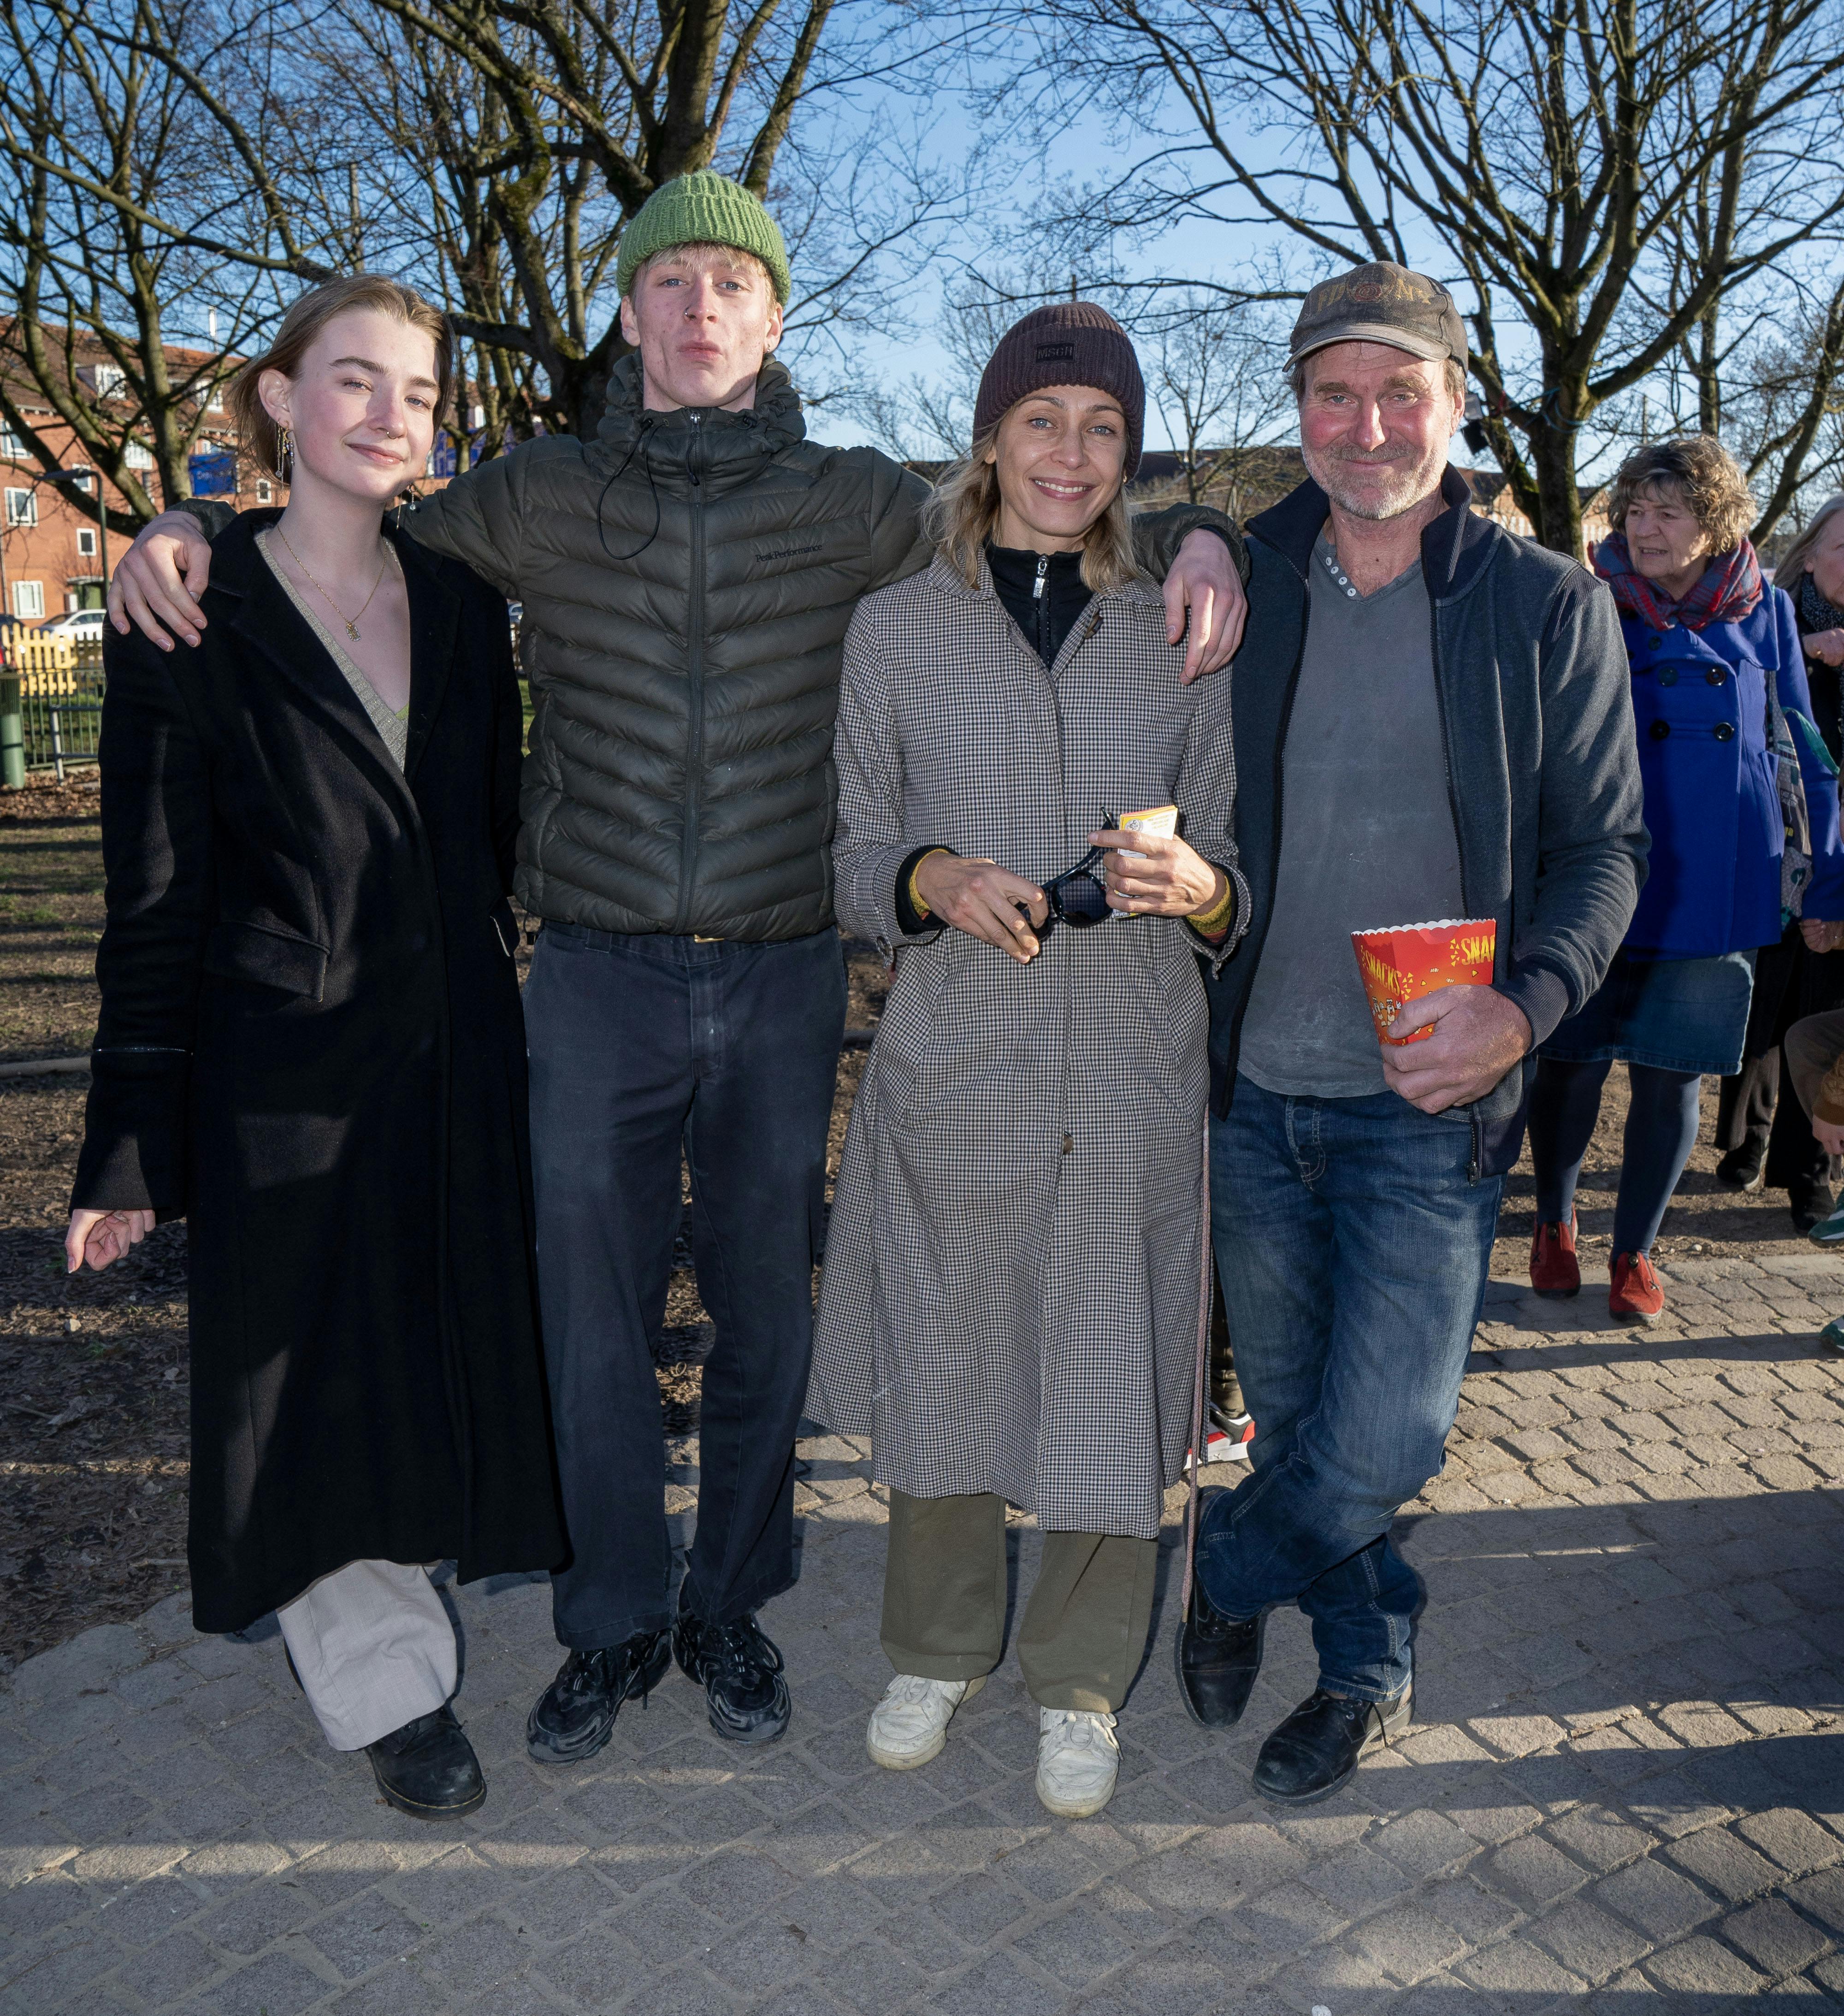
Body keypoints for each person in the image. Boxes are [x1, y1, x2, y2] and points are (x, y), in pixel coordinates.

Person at [108, 172, 1248, 1758]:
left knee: (767, 1320)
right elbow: (338, 517)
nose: (700, 307)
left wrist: (1206, 533)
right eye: (669, 282)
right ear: (629, 312)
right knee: (589, 1318)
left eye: (733, 282)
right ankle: (613, 1616)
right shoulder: (532, 493)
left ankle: (733, 1603)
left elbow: (1045, 499)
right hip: (591, 973)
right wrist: (185, 518)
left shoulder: (861, 500)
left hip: (784, 973)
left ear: (776, 318)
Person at [68, 276, 564, 1820]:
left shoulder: (473, 607)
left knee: (419, 1357)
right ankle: (383, 1677)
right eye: (355, 380)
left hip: (456, 1065)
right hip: (280, 1069)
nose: (390, 415)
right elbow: (151, 893)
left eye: (418, 393)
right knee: (310, 1380)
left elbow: (484, 836)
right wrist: (129, 1139)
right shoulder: (189, 609)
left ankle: (388, 1606)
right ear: (283, 400)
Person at [1173, 260, 1647, 1804]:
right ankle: (1367, 1661)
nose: (1367, 425)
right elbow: (1056, 505)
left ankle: (1223, 1572)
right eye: (1332, 393)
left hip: (1431, 1093)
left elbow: (1607, 852)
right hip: (1254, 1086)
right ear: (1297, 410)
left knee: (1386, 1436)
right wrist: (1188, 527)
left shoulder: (1541, 604)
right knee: (1299, 1409)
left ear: (1453, 406)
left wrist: (1525, 1006)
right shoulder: (1245, 571)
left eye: (1401, 392)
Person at [808, 304, 1241, 1820]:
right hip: (962, 1049)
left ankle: (1076, 1680)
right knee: (948, 1352)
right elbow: (853, 843)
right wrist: (928, 877)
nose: (1071, 451)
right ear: (991, 436)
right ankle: (933, 1646)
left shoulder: (1178, 627)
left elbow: (1227, 851)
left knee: (1112, 1367)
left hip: (1128, 1044)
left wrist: (1201, 892)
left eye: (1102, 428)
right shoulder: (896, 625)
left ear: (1132, 455)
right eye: (1043, 419)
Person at [1527, 440, 1844, 1321]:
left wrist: (1829, 880)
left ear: (1716, 525)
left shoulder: (1768, 608)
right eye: (1636, 511)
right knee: (1571, 1063)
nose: (1646, 529)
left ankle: (1637, 1250)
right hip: (1598, 871)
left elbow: (1804, 747)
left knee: (1675, 1076)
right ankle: (1554, 1222)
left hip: (1721, 878)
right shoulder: (1584, 601)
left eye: (1669, 512)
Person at [1713, 494, 1844, 1229]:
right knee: (1761, 998)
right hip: (1772, 845)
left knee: (1823, 1007)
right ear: (1811, 554)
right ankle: (1742, 1140)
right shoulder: (1768, 620)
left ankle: (1809, 1170)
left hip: (1842, 857)